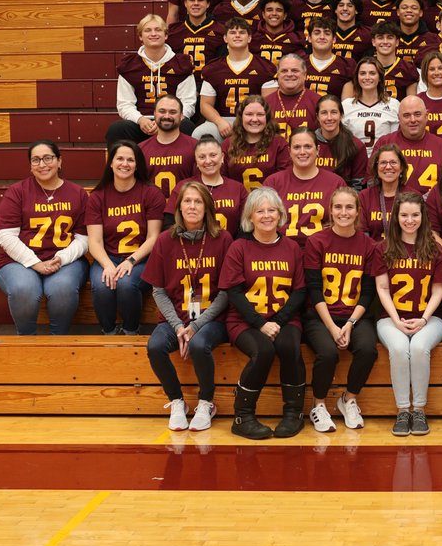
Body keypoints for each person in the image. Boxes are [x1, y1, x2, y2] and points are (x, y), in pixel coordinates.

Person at [144, 181, 233, 431]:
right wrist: (178, 326)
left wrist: (194, 326)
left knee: (199, 344)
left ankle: (206, 402)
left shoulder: (222, 239)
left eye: (198, 201)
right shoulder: (164, 240)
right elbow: (158, 291)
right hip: (174, 318)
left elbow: (226, 293)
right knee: (155, 346)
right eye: (187, 201)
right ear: (179, 207)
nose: (192, 206)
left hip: (212, 319)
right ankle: (177, 402)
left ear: (207, 207)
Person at [221, 187, 307, 440]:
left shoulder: (292, 248)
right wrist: (260, 324)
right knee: (264, 350)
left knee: (290, 346)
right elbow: (234, 293)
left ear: (280, 214)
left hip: (284, 319)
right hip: (245, 321)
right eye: (260, 211)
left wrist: (277, 321)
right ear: (250, 216)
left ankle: (294, 414)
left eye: (272, 210)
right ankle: (242, 417)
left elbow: (300, 291)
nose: (266, 215)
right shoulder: (239, 248)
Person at [302, 187, 383, 432]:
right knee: (328, 353)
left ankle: (349, 398)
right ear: (330, 210)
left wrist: (348, 325)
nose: (343, 212)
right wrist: (331, 327)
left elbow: (368, 292)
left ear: (358, 211)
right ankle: (318, 405)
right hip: (321, 315)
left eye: (349, 207)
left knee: (368, 349)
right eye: (338, 207)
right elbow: (314, 289)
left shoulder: (369, 245)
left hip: (354, 315)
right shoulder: (316, 241)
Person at [0, 141, 89, 336]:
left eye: (48, 158)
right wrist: (35, 263)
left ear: (59, 161)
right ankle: (26, 341)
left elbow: (85, 238)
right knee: (24, 288)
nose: (42, 164)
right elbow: (5, 236)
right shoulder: (17, 192)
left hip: (65, 260)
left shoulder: (78, 193)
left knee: (62, 288)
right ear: (30, 165)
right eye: (36, 160)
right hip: (19, 261)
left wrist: (61, 258)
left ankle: (58, 341)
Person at [375, 191, 442, 436]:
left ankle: (419, 410)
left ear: (423, 216)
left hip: (430, 317)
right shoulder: (383, 247)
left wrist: (424, 318)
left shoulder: (434, 249)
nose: (409, 220)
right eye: (404, 215)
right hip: (390, 318)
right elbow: (382, 288)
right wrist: (396, 320)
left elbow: (438, 289)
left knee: (418, 348)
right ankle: (402, 410)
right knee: (398, 349)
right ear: (395, 217)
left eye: (415, 214)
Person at [86, 141, 165, 336]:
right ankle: (109, 333)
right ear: (110, 163)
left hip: (142, 258)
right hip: (109, 256)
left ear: (137, 165)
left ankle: (131, 331)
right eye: (119, 158)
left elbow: (154, 237)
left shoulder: (151, 193)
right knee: (102, 285)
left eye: (131, 160)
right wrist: (107, 265)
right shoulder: (98, 196)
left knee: (127, 284)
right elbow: (94, 241)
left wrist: (131, 260)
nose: (125, 164)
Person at [107, 14, 197, 145]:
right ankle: (121, 164)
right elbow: (124, 104)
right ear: (140, 37)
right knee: (117, 129)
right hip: (142, 121)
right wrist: (140, 120)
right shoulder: (129, 65)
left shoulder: (181, 64)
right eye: (148, 30)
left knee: (187, 126)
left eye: (158, 30)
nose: (153, 34)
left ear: (166, 35)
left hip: (171, 120)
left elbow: (188, 102)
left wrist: (168, 119)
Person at [194, 17, 278, 141]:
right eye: (232, 32)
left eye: (242, 32)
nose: (237, 36)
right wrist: (219, 122)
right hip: (223, 119)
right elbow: (205, 105)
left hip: (255, 119)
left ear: (249, 38)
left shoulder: (264, 67)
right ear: (225, 38)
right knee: (200, 134)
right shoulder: (213, 68)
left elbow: (270, 104)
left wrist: (251, 121)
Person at [264, 127, 346, 247]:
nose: (302, 152)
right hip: (281, 251)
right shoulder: (273, 182)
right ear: (289, 151)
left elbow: (346, 220)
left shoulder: (336, 183)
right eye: (297, 147)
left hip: (324, 250)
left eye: (308, 146)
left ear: (318, 150)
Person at [166, 136, 248, 237]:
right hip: (192, 249)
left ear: (222, 157)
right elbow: (169, 224)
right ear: (196, 161)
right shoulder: (183, 187)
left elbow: (246, 227)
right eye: (202, 157)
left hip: (229, 248)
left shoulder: (238, 188)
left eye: (213, 155)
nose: (208, 161)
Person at [371, 96, 442, 193]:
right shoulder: (384, 143)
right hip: (392, 206)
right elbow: (372, 181)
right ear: (399, 118)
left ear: (427, 116)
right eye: (406, 115)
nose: (412, 120)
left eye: (417, 114)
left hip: (431, 206)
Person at [223, 95, 290, 191]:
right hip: (238, 202)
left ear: (267, 117)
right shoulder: (227, 145)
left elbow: (284, 180)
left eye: (260, 114)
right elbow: (222, 180)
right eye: (249, 114)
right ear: (241, 117)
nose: (254, 119)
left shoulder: (279, 144)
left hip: (271, 202)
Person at [140, 94, 198, 198]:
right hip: (153, 212)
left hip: (184, 211)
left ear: (181, 116)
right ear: (155, 114)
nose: (167, 116)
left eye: (173, 112)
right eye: (162, 111)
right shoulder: (141, 149)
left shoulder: (195, 147)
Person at [343, 57, 401, 158]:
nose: (367, 77)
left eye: (372, 73)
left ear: (380, 77)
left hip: (383, 161)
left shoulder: (394, 105)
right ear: (357, 77)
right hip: (354, 161)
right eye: (362, 73)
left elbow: (395, 142)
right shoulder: (346, 105)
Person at [359, 143, 414, 240]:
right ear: (376, 168)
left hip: (404, 254)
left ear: (401, 167)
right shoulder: (364, 196)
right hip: (372, 253)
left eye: (393, 162)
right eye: (383, 162)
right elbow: (362, 236)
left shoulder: (413, 196)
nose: (388, 167)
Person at [314, 94, 368, 187]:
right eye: (324, 113)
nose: (329, 118)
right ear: (317, 117)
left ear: (341, 115)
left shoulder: (356, 146)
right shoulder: (309, 143)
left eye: (334, 112)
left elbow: (358, 187)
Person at [167, 0, 222, 74]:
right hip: (183, 85)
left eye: (200, 0)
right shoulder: (173, 32)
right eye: (192, 0)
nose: (196, 3)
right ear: (185, 3)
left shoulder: (221, 32)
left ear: (208, 4)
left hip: (210, 85)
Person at [264, 53, 321, 140]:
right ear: (277, 74)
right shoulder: (265, 103)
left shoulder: (318, 102)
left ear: (305, 75)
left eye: (295, 70)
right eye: (284, 71)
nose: (289, 74)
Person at [302, 18, 353, 98]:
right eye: (317, 33)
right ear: (309, 38)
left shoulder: (347, 65)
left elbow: (347, 104)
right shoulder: (299, 63)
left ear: (334, 39)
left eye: (327, 33)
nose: (322, 37)